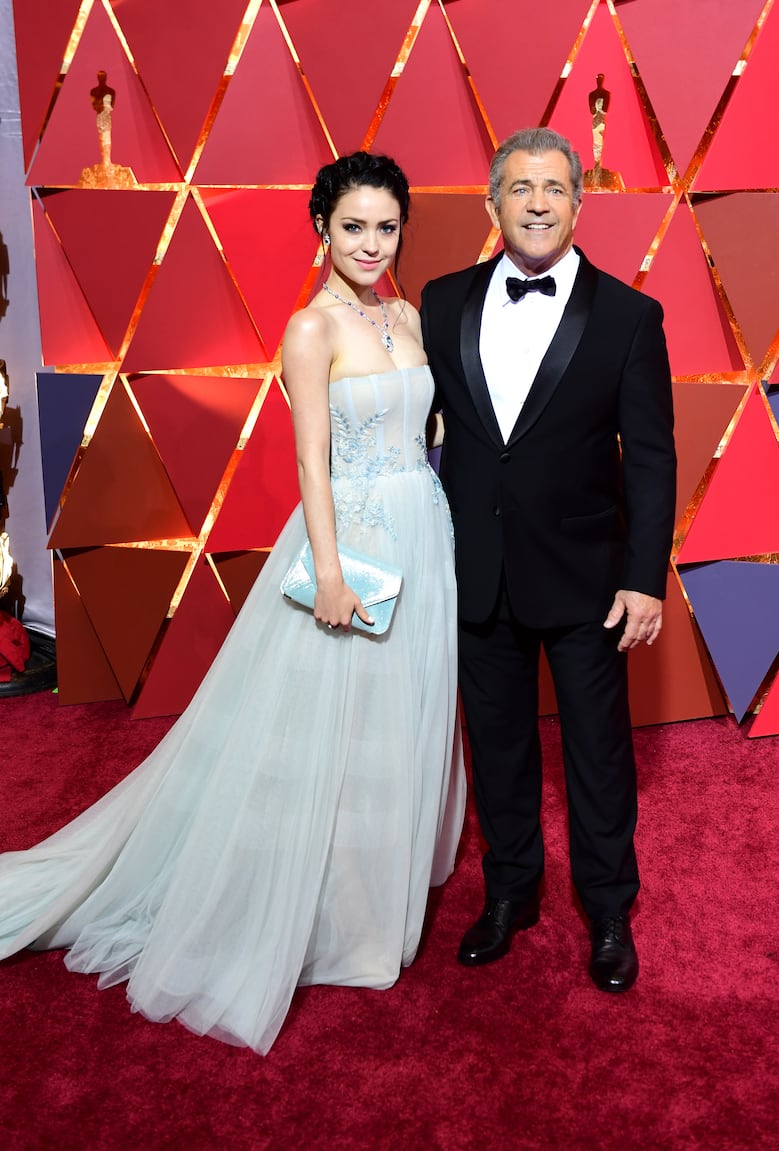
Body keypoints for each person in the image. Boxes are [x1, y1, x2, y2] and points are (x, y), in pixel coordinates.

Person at [0, 152, 465, 1053]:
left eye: (386, 226)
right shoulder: (310, 329)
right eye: (353, 226)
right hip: (355, 541)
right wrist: (329, 572)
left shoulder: (409, 315)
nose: (371, 243)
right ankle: (322, 906)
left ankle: (374, 896)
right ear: (322, 229)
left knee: (393, 720)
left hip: (423, 530)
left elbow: (428, 425)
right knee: (327, 723)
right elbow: (310, 461)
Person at [420, 127, 676, 992]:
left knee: (598, 755)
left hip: (587, 581)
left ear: (578, 202)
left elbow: (650, 455)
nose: (536, 202)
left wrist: (644, 576)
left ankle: (607, 911)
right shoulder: (440, 299)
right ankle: (510, 895)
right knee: (496, 746)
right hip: (477, 569)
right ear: (493, 203)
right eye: (520, 187)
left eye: (554, 188)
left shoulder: (632, 317)